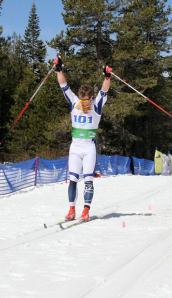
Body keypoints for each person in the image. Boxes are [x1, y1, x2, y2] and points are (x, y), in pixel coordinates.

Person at [54, 55, 112, 222]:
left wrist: (107, 77)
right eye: (82, 101)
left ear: (91, 98)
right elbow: (63, 85)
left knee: (88, 180)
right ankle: (71, 210)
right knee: (72, 180)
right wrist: (59, 69)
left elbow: (105, 90)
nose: (84, 105)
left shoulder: (97, 106)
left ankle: (85, 211)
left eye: (86, 102)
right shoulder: (75, 103)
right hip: (75, 148)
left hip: (89, 149)